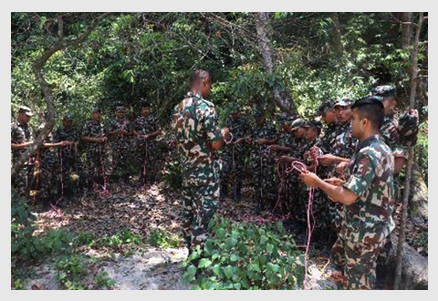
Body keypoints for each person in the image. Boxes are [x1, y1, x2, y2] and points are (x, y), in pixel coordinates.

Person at [299, 96, 394, 289]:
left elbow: (347, 197)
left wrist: (316, 181)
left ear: (365, 122)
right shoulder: (381, 147)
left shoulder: (369, 152)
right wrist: (343, 182)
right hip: (365, 228)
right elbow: (371, 188)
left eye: (353, 119)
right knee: (351, 276)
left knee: (359, 284)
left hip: (365, 232)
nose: (350, 124)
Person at [171, 69, 229, 255]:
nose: (210, 88)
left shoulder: (178, 108)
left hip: (187, 171)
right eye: (209, 84)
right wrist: (224, 134)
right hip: (205, 173)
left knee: (188, 213)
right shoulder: (205, 107)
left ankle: (190, 253)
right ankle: (200, 261)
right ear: (204, 82)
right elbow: (216, 144)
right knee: (204, 215)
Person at [36, 111, 72, 209]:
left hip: (54, 158)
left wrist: (63, 144)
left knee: (54, 179)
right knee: (46, 180)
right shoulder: (42, 129)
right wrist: (58, 144)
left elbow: (54, 142)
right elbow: (41, 145)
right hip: (46, 159)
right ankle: (44, 202)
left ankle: (54, 199)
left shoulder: (52, 129)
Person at [249, 107, 277, 213]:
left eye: (259, 118)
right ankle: (259, 204)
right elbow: (251, 137)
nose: (257, 120)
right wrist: (250, 140)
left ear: (264, 116)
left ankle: (272, 205)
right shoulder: (254, 127)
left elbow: (276, 139)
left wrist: (265, 141)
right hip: (256, 157)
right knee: (257, 181)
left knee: (269, 181)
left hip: (267, 158)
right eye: (256, 118)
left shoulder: (270, 126)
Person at [220, 103, 250, 202]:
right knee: (225, 170)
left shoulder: (244, 122)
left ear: (239, 113)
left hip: (240, 150)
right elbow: (223, 132)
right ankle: (224, 192)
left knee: (239, 172)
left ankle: (237, 193)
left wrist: (242, 139)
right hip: (229, 150)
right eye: (232, 114)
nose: (233, 115)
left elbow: (249, 135)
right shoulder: (228, 121)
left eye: (235, 113)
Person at [54, 113, 86, 199]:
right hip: (63, 155)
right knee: (65, 174)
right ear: (63, 121)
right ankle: (66, 193)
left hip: (74, 154)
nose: (68, 124)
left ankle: (81, 189)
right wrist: (63, 143)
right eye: (67, 122)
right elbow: (55, 143)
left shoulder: (74, 130)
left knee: (81, 170)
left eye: (70, 122)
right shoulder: (59, 130)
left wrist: (73, 143)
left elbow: (77, 140)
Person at [133, 102, 162, 186]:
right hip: (140, 143)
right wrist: (137, 134)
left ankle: (152, 179)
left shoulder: (154, 119)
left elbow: (159, 130)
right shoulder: (138, 120)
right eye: (144, 109)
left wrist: (150, 135)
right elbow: (134, 130)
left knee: (152, 160)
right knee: (140, 160)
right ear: (141, 110)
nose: (145, 111)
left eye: (147, 109)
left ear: (149, 110)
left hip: (151, 143)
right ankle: (142, 178)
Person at [81, 108, 109, 193]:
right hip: (92, 150)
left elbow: (106, 135)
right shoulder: (88, 124)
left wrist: (104, 138)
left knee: (101, 167)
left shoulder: (102, 125)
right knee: (91, 168)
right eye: (96, 113)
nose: (98, 115)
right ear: (92, 114)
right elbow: (83, 137)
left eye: (99, 113)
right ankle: (90, 187)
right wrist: (95, 140)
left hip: (101, 150)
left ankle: (101, 185)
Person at [11, 106, 35, 200]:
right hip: (20, 163)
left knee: (29, 186)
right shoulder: (12, 127)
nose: (29, 119)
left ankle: (26, 209)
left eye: (30, 117)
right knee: (20, 188)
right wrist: (27, 144)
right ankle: (18, 211)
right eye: (27, 116)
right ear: (20, 114)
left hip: (30, 162)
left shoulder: (28, 128)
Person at [107, 105, 132, 184]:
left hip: (126, 144)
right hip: (116, 144)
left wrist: (126, 133)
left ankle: (126, 179)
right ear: (116, 113)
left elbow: (131, 132)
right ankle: (115, 179)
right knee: (115, 161)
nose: (121, 113)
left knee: (126, 161)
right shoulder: (113, 122)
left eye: (122, 112)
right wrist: (117, 131)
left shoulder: (127, 122)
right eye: (119, 112)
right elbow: (109, 133)